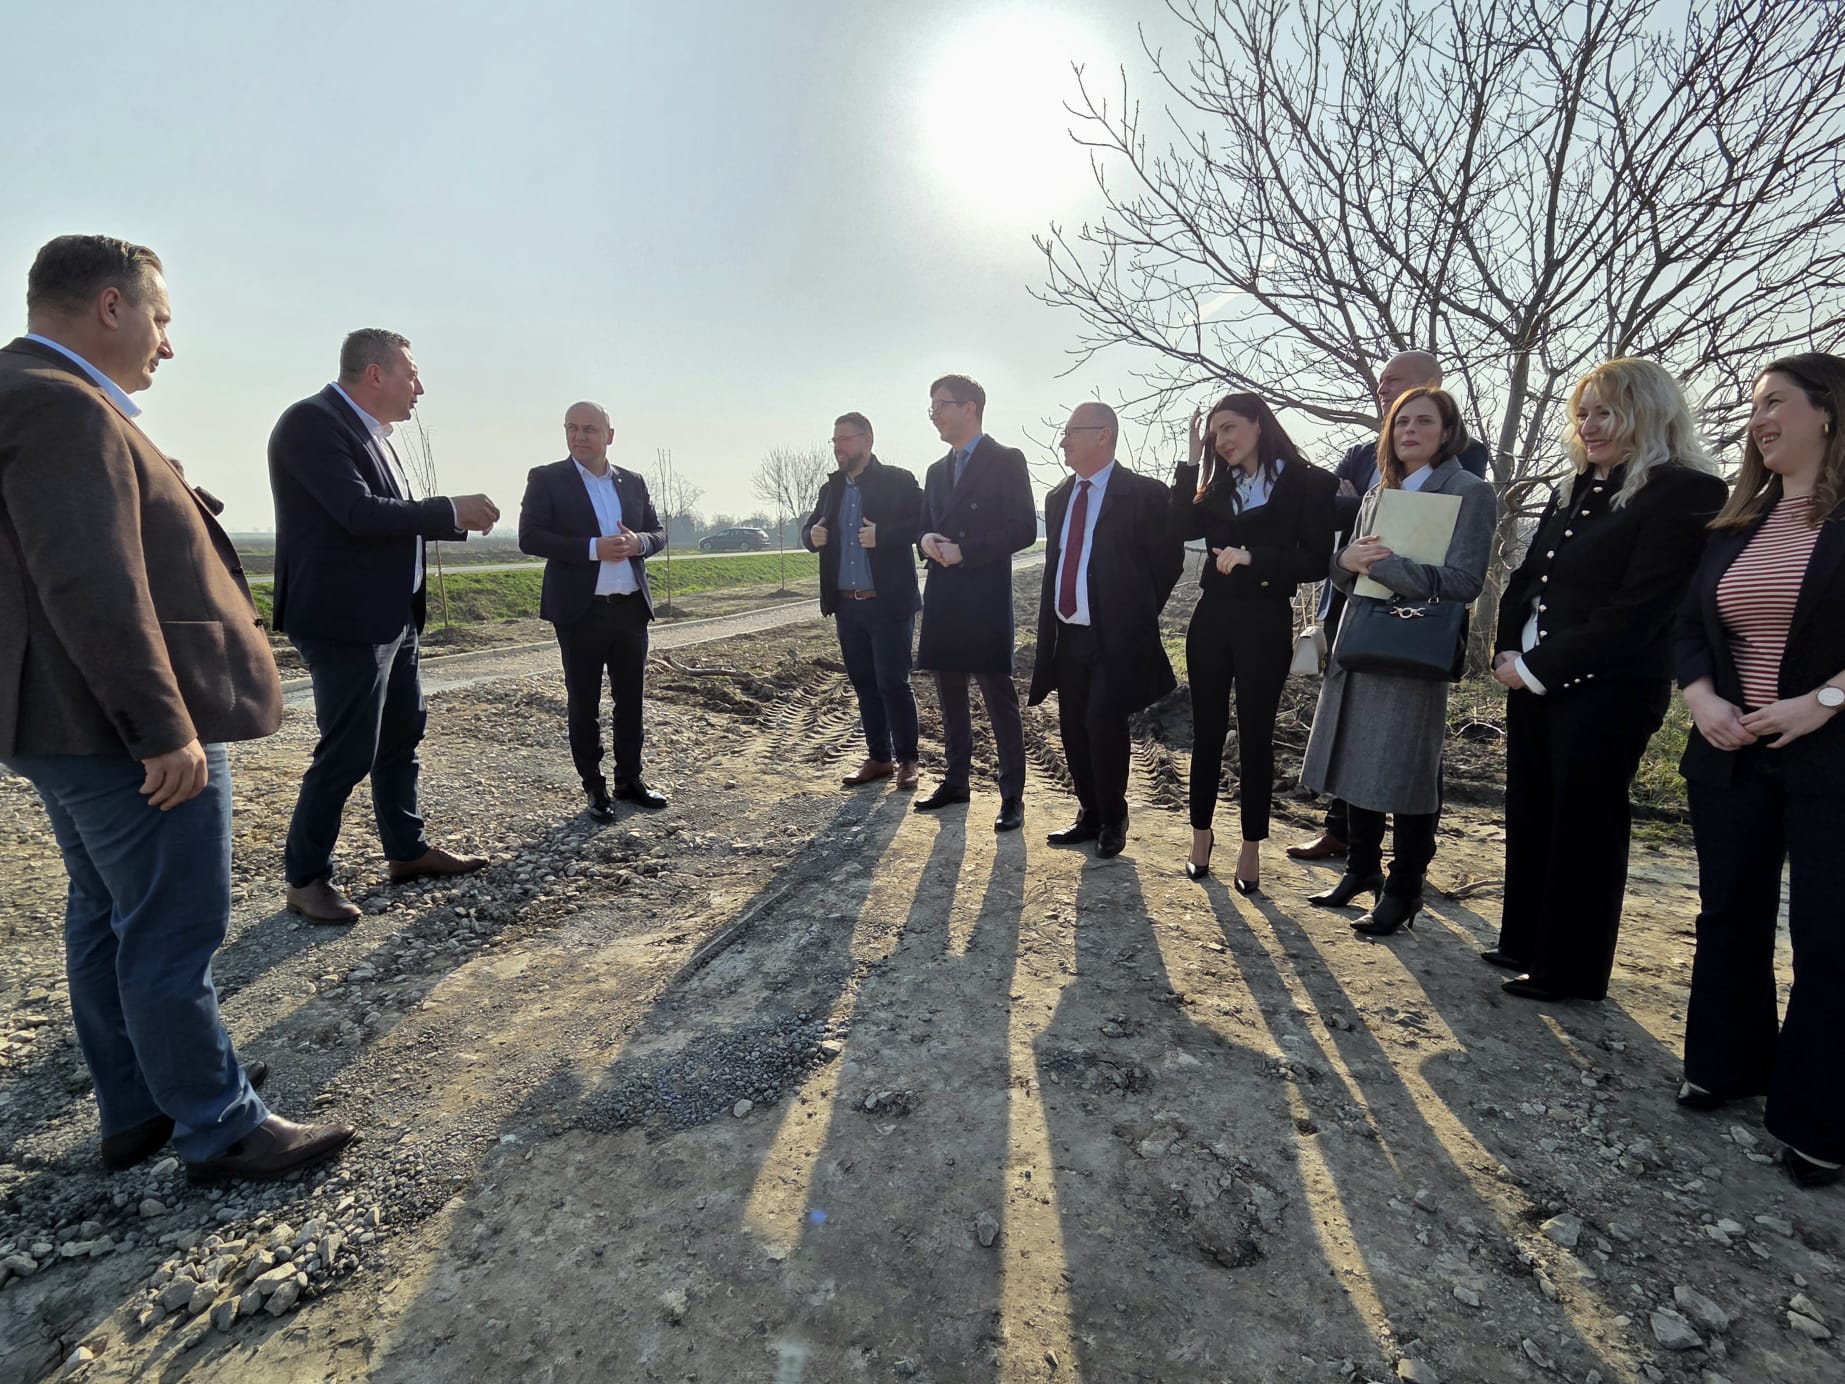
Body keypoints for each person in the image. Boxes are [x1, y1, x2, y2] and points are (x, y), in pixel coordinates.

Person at [0, 234, 353, 1180]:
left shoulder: (26, 392)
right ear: (110, 306)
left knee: (108, 912)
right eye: (160, 318)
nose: (167, 342)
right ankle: (219, 1125)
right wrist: (160, 727)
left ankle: (144, 1100)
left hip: (56, 722)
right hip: (112, 730)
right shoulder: (62, 404)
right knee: (170, 925)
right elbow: (92, 584)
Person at [1488, 359, 1726, 1001]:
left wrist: (1536, 667)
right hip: (1532, 675)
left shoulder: (1687, 491)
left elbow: (1641, 608)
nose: (1589, 426)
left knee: (1584, 824)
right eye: (1583, 414)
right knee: (1532, 807)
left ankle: (1569, 970)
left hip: (1609, 686)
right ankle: (1523, 940)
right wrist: (1507, 649)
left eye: (1606, 413)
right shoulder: (1576, 485)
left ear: (1647, 413)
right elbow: (1529, 576)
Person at [1674, 352, 1845, 1190]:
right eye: (1753, 406)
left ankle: (1818, 1120)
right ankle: (1725, 1064)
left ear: (1827, 412)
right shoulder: (1736, 524)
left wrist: (1825, 700)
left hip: (1831, 756)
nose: (1757, 420)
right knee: (1727, 915)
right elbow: (1688, 627)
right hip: (1729, 751)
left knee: (1829, 936)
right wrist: (1701, 698)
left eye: (1773, 401)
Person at [268, 329, 500, 921]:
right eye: (411, 374)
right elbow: (358, 513)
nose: (420, 387)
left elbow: (387, 519)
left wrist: (446, 522)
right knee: (348, 750)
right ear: (375, 374)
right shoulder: (311, 423)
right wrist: (449, 510)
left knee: (401, 736)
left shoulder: (373, 434)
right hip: (345, 618)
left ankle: (407, 850)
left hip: (393, 614)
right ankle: (305, 878)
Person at [1301, 386, 1497, 935]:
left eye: (1424, 421)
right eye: (1401, 422)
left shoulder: (1469, 490)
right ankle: (1360, 869)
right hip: (1359, 638)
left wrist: (1384, 566)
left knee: (1408, 770)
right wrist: (1344, 559)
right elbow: (1345, 571)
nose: (1410, 431)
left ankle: (1405, 887)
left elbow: (1464, 581)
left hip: (1413, 647)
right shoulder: (1378, 490)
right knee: (1355, 759)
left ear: (1448, 431)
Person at [1172, 394, 1337, 889]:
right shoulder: (1216, 487)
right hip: (1211, 618)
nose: (1222, 441)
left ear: (1258, 424)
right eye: (1214, 434)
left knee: (1256, 736)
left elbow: (1316, 560)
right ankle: (1200, 836)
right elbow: (1178, 526)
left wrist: (1254, 558)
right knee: (1206, 732)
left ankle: (1250, 848)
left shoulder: (1309, 482)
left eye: (1229, 428)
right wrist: (1190, 460)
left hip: (1265, 619)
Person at [1028, 403, 1184, 858]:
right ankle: (1090, 813)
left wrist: (1134, 612)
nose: (1063, 441)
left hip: (1115, 636)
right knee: (1073, 727)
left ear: (1104, 435)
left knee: (1103, 724)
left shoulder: (1144, 494)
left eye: (1071, 432)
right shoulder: (1059, 497)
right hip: (1068, 634)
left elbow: (1167, 563)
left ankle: (1114, 817)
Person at [516, 402, 669, 822]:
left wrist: (639, 543)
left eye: (589, 429)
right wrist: (591, 548)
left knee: (631, 701)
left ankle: (629, 780)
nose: (579, 436)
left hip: (630, 609)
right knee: (584, 703)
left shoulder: (632, 482)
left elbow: (658, 533)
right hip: (579, 613)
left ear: (609, 436)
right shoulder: (547, 479)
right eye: (572, 428)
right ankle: (594, 787)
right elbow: (530, 537)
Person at [914, 373, 1038, 830]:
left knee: (997, 696)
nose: (934, 415)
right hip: (944, 593)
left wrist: (966, 550)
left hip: (984, 593)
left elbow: (1024, 528)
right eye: (931, 407)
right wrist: (926, 540)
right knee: (949, 694)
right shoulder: (935, 470)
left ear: (970, 408)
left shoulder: (1006, 460)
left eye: (940, 405)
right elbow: (923, 525)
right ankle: (956, 781)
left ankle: (1012, 796)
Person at [802, 412, 924, 790]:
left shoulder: (899, 481)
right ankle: (879, 758)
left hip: (888, 603)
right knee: (864, 684)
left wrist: (883, 535)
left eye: (845, 439)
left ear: (867, 440)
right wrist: (811, 537)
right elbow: (811, 528)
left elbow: (925, 522)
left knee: (893, 682)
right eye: (834, 440)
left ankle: (908, 760)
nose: (838, 447)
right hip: (847, 605)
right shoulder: (831, 489)